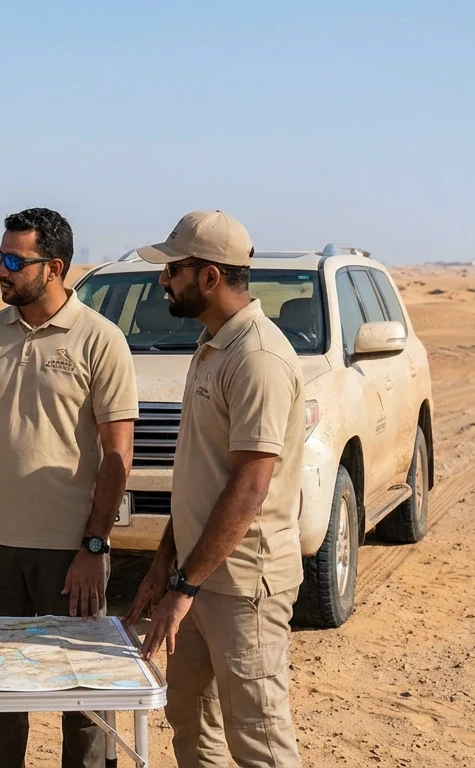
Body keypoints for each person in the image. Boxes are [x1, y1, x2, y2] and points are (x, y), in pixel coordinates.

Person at [0, 207, 138, 768]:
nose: (1, 271)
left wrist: (94, 546)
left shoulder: (100, 340)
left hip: (69, 551)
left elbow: (117, 456)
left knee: (83, 700)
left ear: (54, 267)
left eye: (15, 261)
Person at [121, 210, 305, 767]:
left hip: (243, 583)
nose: (162, 281)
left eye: (172, 269)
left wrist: (183, 589)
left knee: (259, 739)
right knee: (191, 724)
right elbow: (199, 476)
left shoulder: (259, 358)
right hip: (198, 578)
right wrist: (166, 565)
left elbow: (248, 487)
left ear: (209, 277)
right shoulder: (214, 345)